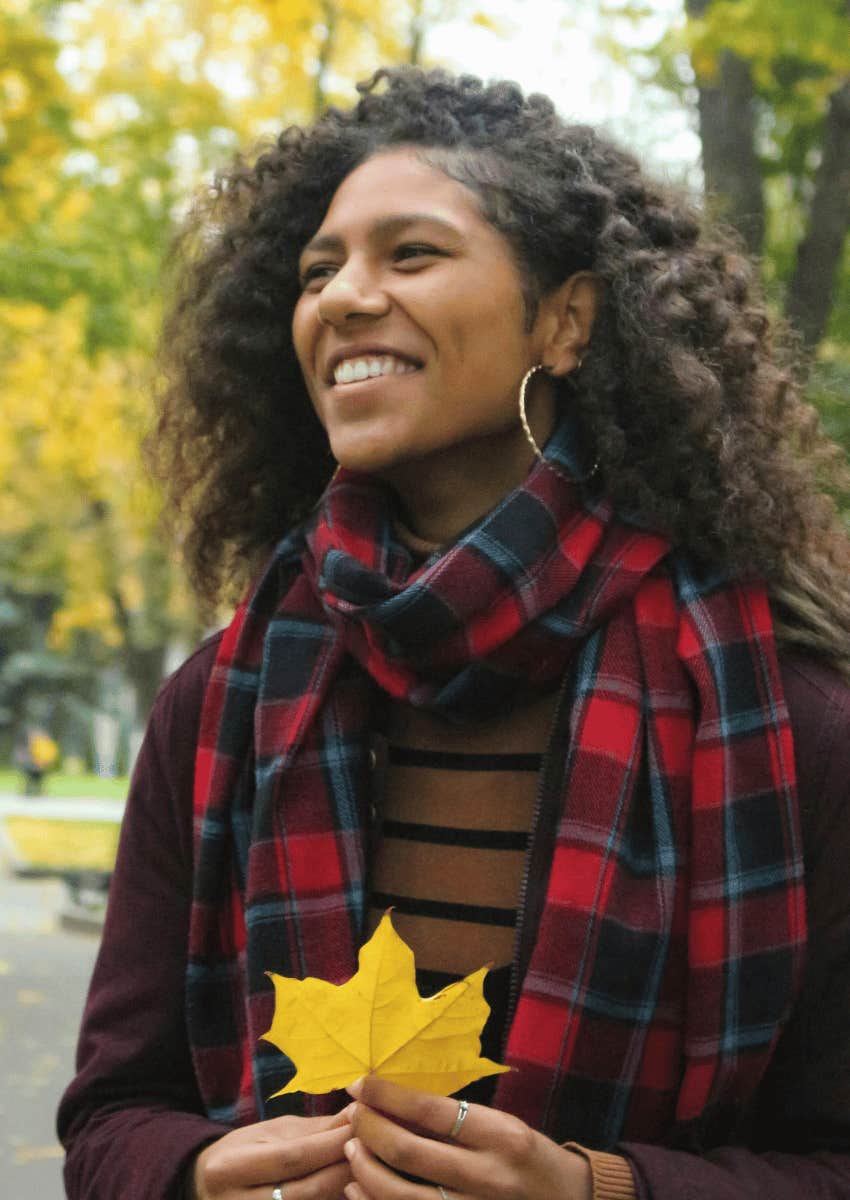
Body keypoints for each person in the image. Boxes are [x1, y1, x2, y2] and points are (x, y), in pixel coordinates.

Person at [58, 66, 850, 1200]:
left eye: (411, 254)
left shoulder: (787, 720)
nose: (342, 297)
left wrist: (595, 1190)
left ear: (566, 319)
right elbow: (112, 1115)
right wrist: (192, 1176)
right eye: (318, 271)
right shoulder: (220, 702)